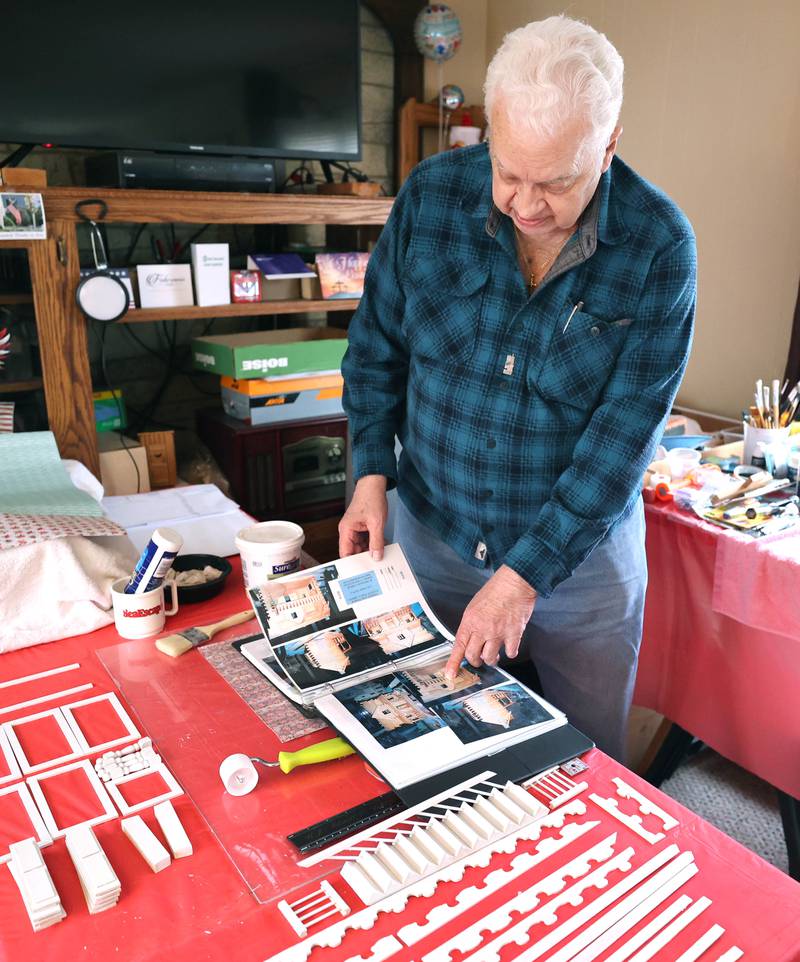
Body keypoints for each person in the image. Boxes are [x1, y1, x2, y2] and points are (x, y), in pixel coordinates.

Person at [339, 15, 696, 762]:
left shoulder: (660, 246)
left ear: (609, 144)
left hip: (582, 566)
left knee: (586, 769)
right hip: (432, 535)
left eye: (558, 182)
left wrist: (526, 574)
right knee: (423, 753)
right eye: (508, 174)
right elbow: (376, 349)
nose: (527, 206)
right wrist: (371, 474)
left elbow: (621, 442)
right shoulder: (431, 199)